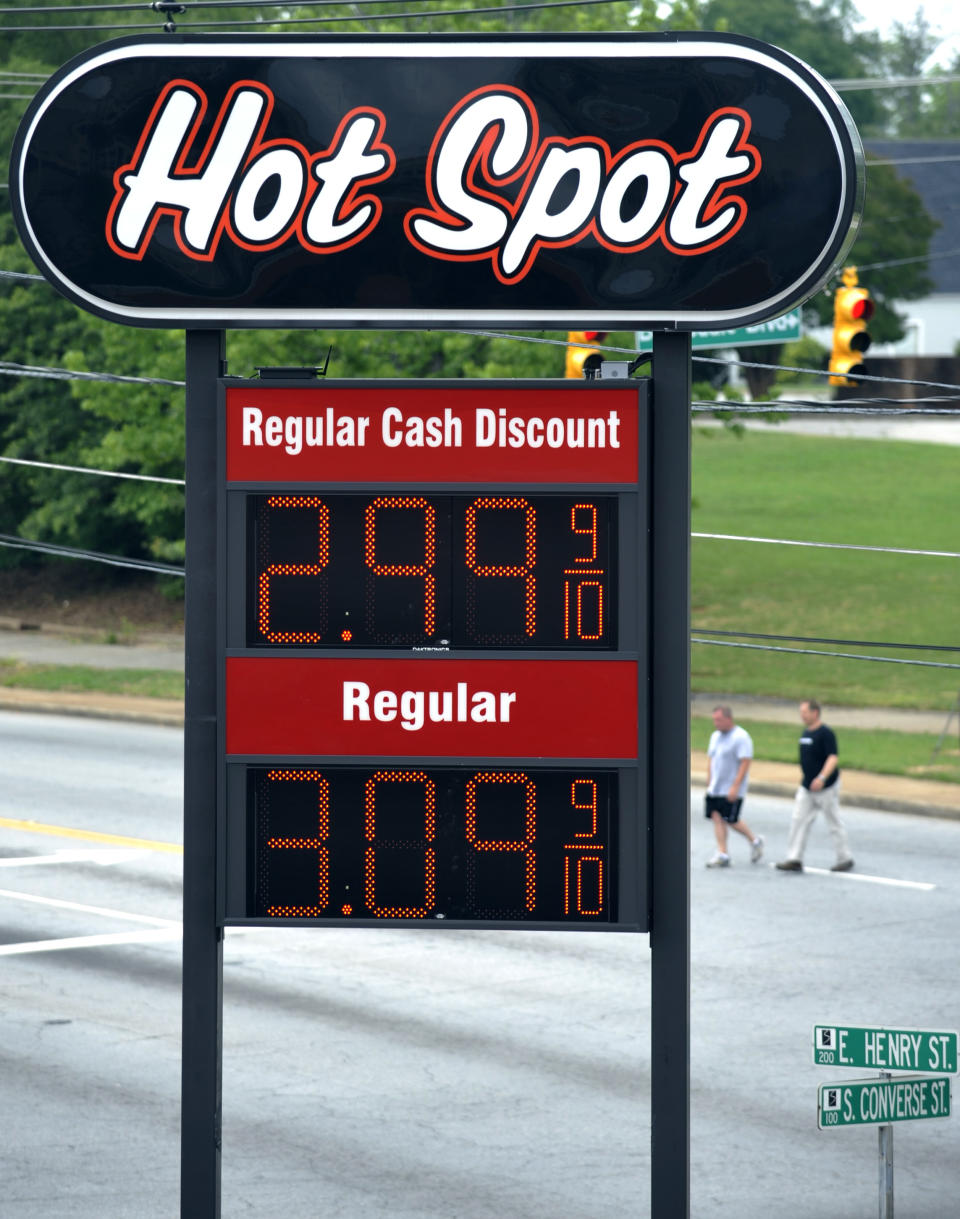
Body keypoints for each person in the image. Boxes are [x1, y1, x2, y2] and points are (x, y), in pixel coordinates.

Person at [776, 699, 854, 873]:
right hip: (807, 786)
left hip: (826, 787)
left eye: (805, 712)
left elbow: (832, 757)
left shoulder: (825, 733)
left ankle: (844, 857)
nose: (802, 715)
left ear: (815, 713)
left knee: (833, 821)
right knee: (798, 820)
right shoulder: (805, 734)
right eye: (801, 712)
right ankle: (794, 858)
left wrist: (822, 778)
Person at [704, 705, 764, 867]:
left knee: (731, 819)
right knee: (716, 817)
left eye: (719, 720)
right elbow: (712, 759)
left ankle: (755, 841)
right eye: (714, 720)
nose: (716, 723)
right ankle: (722, 852)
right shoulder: (715, 736)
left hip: (731, 787)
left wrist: (736, 786)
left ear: (729, 719)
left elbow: (745, 762)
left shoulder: (741, 737)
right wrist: (709, 779)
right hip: (715, 787)